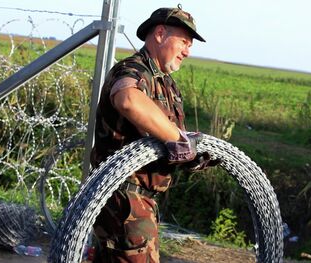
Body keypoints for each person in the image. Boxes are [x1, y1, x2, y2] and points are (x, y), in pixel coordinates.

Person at [89, 6, 213, 263]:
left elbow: (166, 137)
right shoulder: (134, 70)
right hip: (124, 199)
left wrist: (194, 154)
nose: (187, 52)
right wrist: (180, 141)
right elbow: (128, 100)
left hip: (141, 201)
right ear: (159, 34)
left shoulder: (167, 84)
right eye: (183, 42)